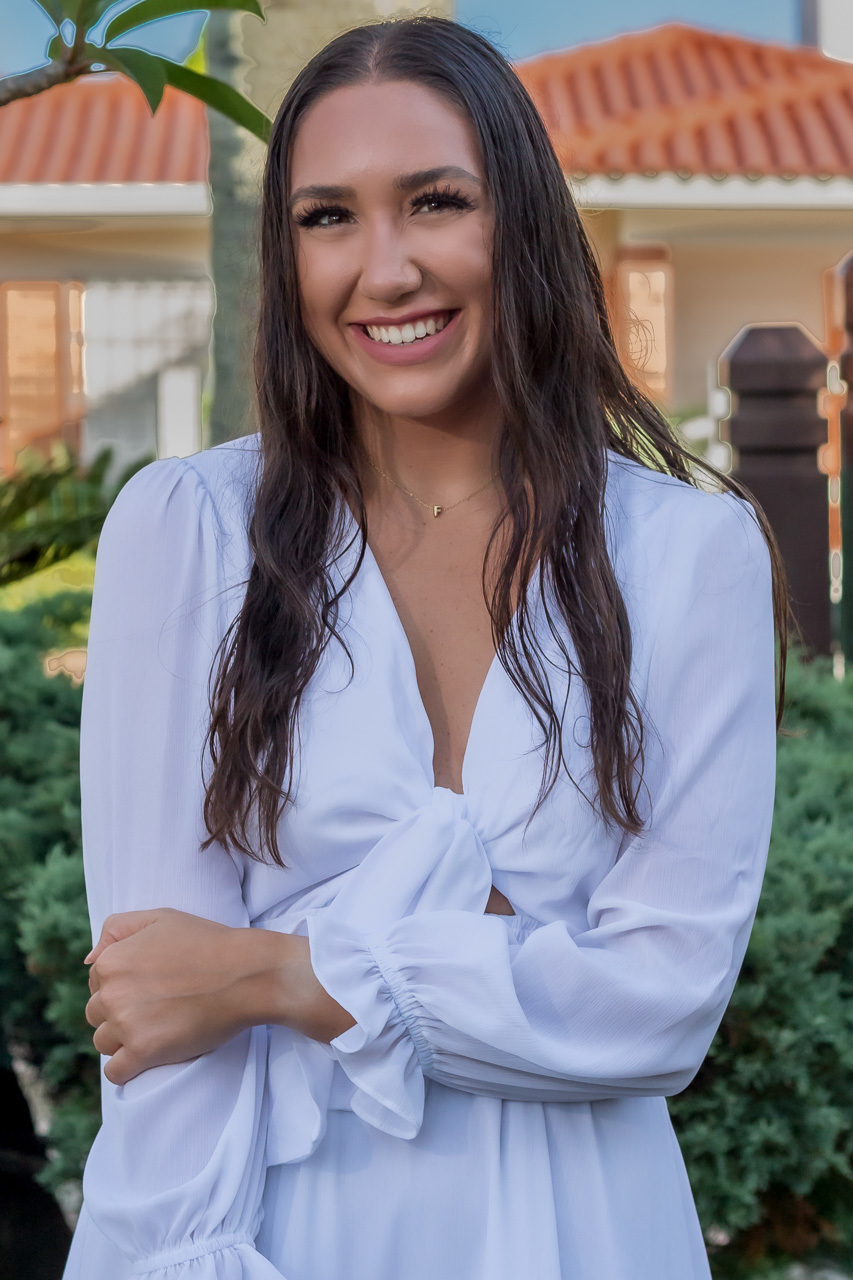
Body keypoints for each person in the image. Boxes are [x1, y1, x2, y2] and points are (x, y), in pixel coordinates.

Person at [63, 15, 789, 1280]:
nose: (383, 269)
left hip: (584, 1229)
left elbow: (660, 1004)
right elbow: (160, 1004)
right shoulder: (187, 535)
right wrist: (509, 953)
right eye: (327, 217)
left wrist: (277, 971)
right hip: (275, 1230)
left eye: (435, 201)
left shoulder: (689, 552)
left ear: (525, 223)